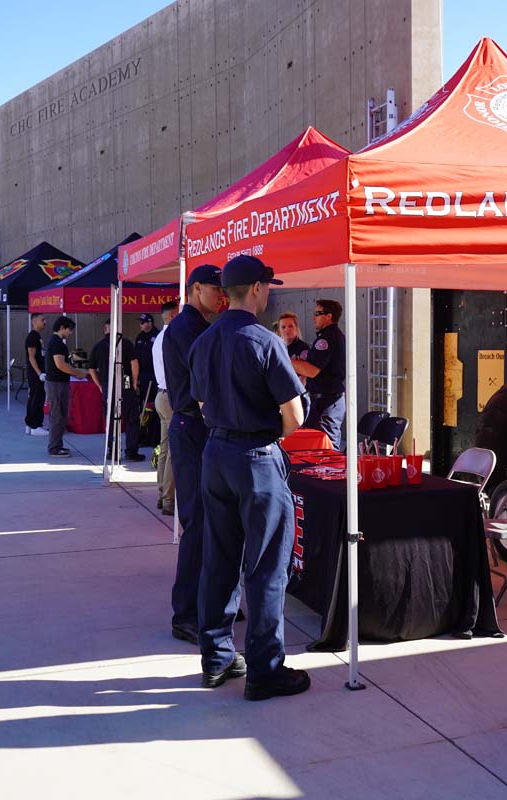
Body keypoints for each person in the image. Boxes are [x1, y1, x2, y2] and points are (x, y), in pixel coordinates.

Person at [190, 254, 309, 700]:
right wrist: (261, 433)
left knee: (218, 557)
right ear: (257, 289)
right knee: (265, 565)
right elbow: (294, 416)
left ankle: (217, 658)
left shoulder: (203, 342)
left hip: (215, 452)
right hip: (255, 455)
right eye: (268, 286)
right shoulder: (265, 341)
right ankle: (265, 668)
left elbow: (200, 405)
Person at [164, 264, 224, 644]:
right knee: (198, 523)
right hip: (191, 428)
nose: (221, 296)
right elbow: (206, 383)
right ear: (195, 288)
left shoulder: (198, 327)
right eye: (216, 289)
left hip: (200, 429)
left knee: (214, 524)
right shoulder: (187, 329)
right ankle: (185, 614)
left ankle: (210, 603)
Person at [291, 299, 346, 449]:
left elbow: (311, 370)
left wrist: (284, 359)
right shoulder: (327, 336)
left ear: (329, 316)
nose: (313, 317)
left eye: (317, 313)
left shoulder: (327, 338)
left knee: (327, 450)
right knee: (314, 446)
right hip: (321, 402)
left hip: (327, 403)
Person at [89, 320, 144, 463]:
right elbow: (134, 363)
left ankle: (112, 450)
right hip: (125, 380)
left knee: (110, 419)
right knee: (131, 418)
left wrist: (100, 385)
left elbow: (91, 369)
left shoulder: (98, 346)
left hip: (108, 383)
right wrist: (133, 381)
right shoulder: (125, 343)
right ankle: (131, 451)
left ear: (105, 329)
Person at [44, 316, 88, 458]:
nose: (71, 333)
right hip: (56, 384)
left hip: (59, 383)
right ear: (62, 327)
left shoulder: (57, 342)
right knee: (58, 415)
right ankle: (54, 448)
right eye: (69, 330)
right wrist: (79, 373)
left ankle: (57, 445)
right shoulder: (57, 343)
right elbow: (61, 365)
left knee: (61, 415)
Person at [152, 301, 179, 515]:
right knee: (172, 451)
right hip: (170, 396)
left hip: (162, 395)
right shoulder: (171, 338)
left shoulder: (160, 338)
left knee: (164, 449)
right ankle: (168, 499)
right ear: (171, 316)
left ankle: (163, 494)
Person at [135, 313, 161, 446]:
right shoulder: (140, 337)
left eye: (143, 322)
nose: (141, 325)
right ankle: (144, 433)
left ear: (150, 323)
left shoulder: (157, 336)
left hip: (155, 376)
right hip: (143, 376)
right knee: (144, 406)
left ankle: (154, 435)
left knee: (154, 406)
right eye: (140, 322)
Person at [24, 313, 48, 436]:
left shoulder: (37, 336)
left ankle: (30, 424)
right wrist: (39, 373)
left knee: (35, 397)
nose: (45, 322)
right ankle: (35, 426)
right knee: (37, 398)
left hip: (38, 372)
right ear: (34, 321)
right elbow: (31, 357)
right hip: (35, 373)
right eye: (42, 320)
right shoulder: (32, 337)